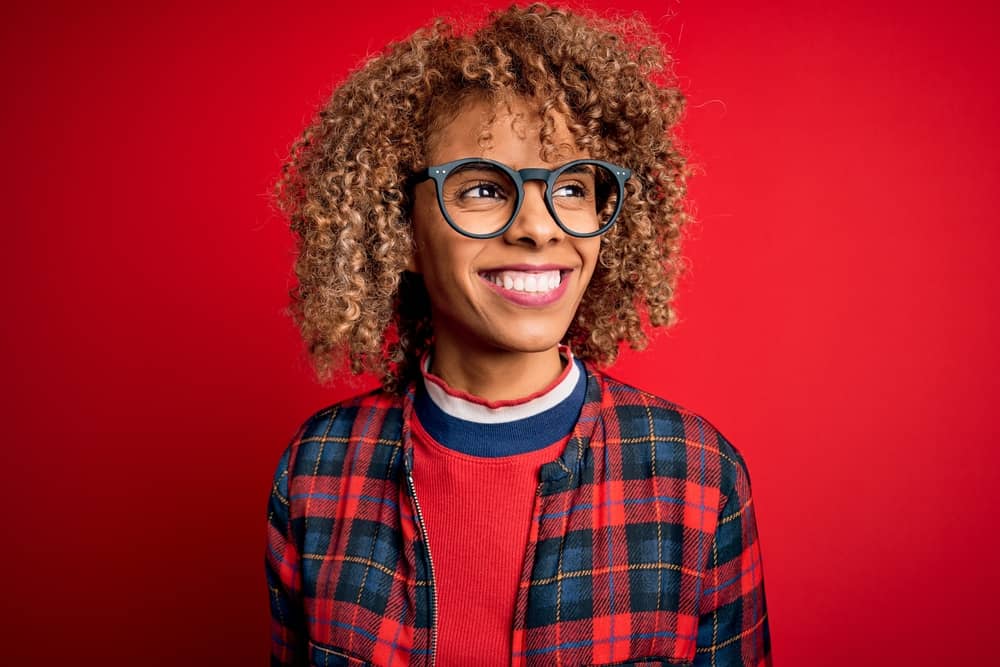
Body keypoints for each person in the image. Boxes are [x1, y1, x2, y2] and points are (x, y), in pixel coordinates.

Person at [266, 3, 771, 666]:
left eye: (572, 187)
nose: (538, 226)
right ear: (401, 227)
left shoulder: (700, 478)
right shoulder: (316, 472)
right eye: (481, 188)